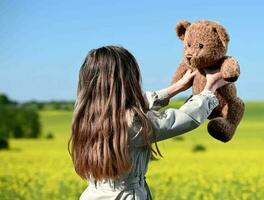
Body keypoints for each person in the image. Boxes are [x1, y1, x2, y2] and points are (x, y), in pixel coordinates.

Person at [69, 45, 229, 200]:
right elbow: (181, 119)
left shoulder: (86, 117)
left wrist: (175, 89)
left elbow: (130, 106)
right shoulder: (132, 124)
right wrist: (209, 89)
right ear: (127, 81)